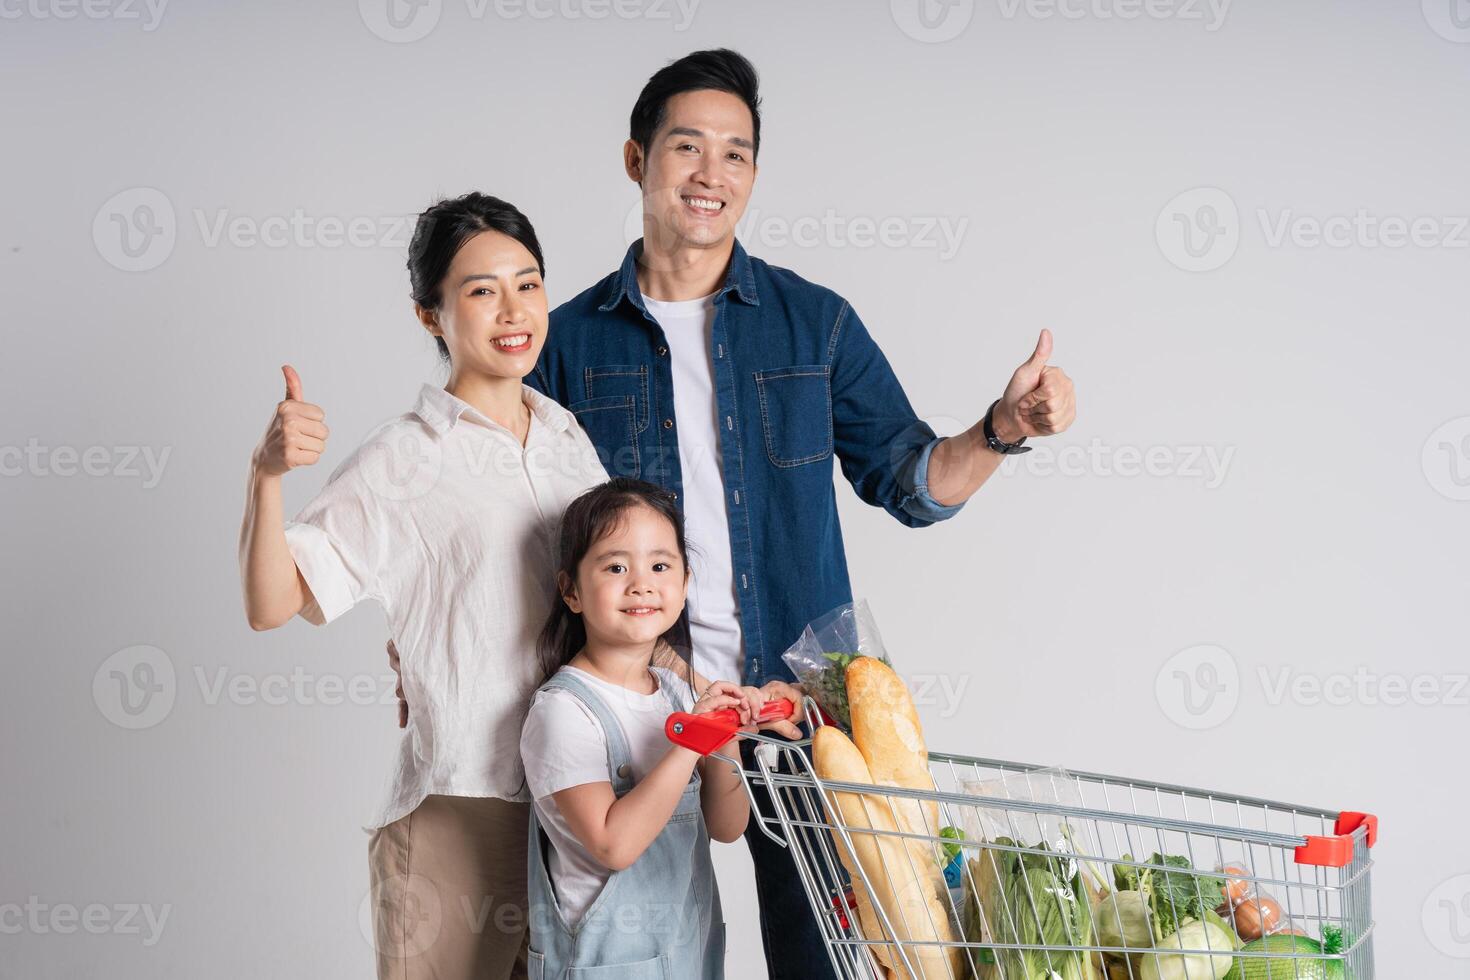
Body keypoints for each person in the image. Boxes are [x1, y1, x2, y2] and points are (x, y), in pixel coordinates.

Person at [526, 49, 1080, 980]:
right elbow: (521, 519)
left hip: (801, 710)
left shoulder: (811, 324)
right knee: (627, 957)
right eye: (688, 147)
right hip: (638, 709)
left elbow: (912, 481)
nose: (712, 175)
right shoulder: (569, 340)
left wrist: (1001, 427)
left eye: (736, 154)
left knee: (834, 964)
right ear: (637, 161)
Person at [238, 192, 610, 980]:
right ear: (429, 315)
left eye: (528, 282)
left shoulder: (567, 438)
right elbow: (273, 604)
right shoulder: (402, 459)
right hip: (461, 809)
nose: (513, 310)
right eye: (481, 290)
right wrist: (266, 475)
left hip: (576, 804)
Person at [520, 478, 776, 977]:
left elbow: (727, 827)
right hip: (607, 965)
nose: (641, 583)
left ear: (683, 586)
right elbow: (614, 845)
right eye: (615, 567)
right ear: (571, 590)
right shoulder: (564, 712)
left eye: (660, 566)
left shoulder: (678, 693)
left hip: (688, 954)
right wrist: (689, 744)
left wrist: (725, 739)